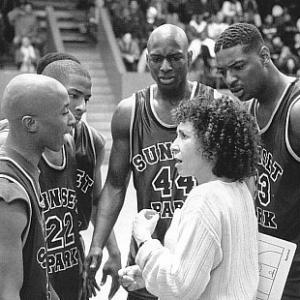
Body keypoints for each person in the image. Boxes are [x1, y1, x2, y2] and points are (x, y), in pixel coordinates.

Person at [85, 23, 220, 300]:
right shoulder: (129, 112)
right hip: (147, 257)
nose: (166, 67)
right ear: (146, 60)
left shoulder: (213, 105)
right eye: (157, 59)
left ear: (190, 58)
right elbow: (114, 185)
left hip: (200, 257)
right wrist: (98, 243)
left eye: (174, 57)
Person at [119, 95, 260, 299]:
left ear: (212, 146)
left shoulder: (205, 199)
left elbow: (180, 284)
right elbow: (210, 273)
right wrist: (147, 275)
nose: (173, 145)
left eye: (184, 136)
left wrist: (144, 240)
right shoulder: (239, 191)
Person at [215, 22, 300, 299]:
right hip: (263, 262)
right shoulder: (246, 110)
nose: (230, 80)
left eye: (238, 67)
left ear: (264, 56)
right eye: (223, 71)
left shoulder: (296, 112)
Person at [37, 52, 122, 299]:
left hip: (71, 259)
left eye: (86, 98)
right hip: (34, 265)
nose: (82, 107)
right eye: (73, 95)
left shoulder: (92, 142)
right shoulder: (18, 141)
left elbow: (96, 200)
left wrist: (112, 250)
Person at [0, 73, 75, 299]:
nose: (72, 118)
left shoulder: (25, 166)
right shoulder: (8, 195)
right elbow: (8, 292)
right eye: (63, 112)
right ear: (30, 124)